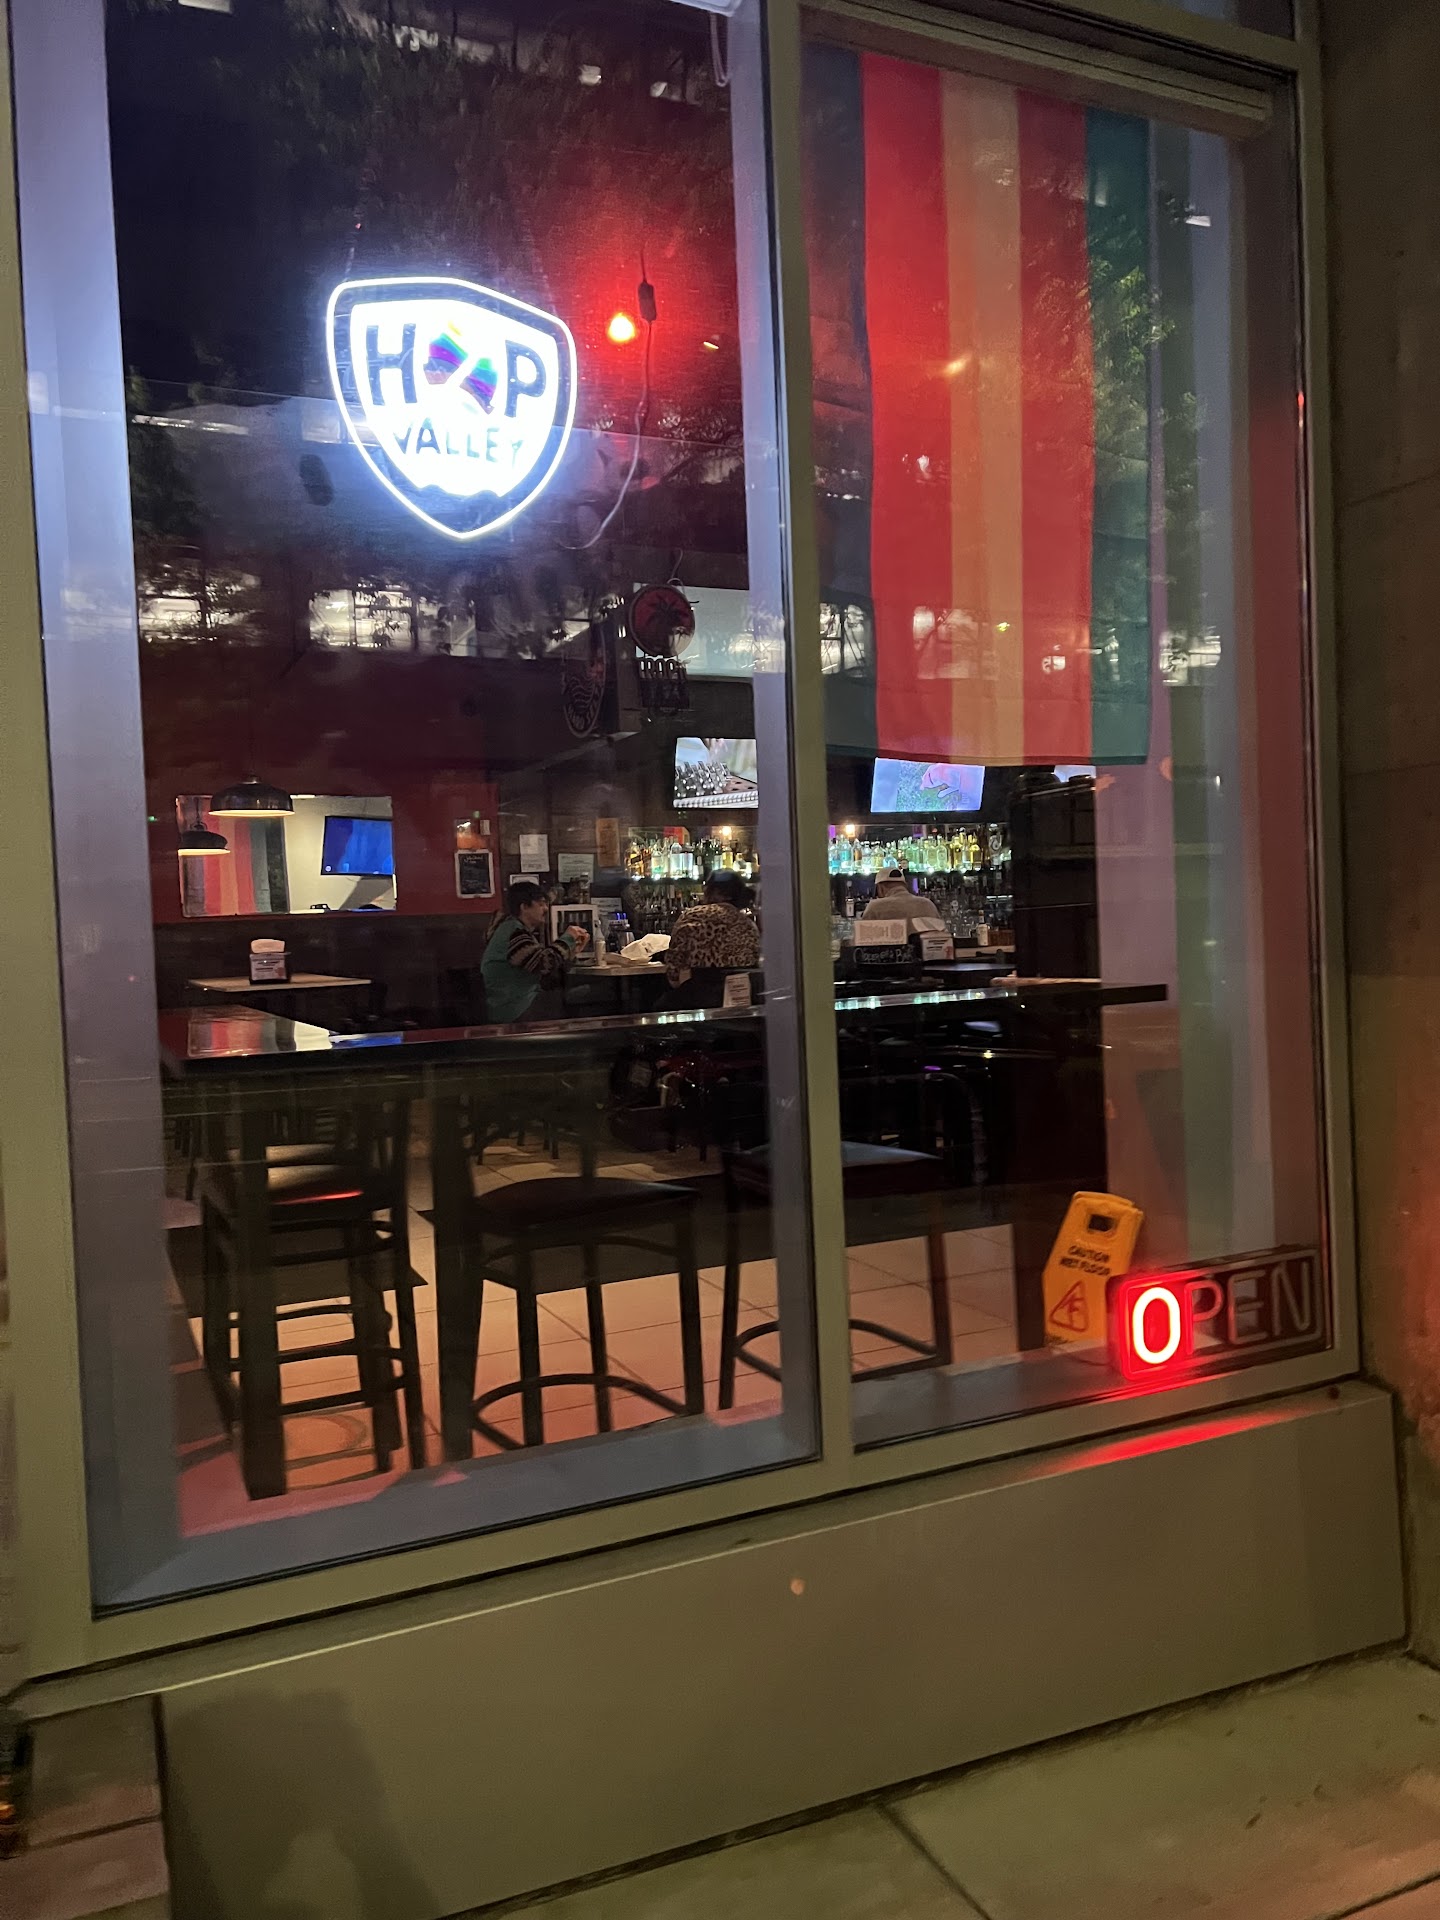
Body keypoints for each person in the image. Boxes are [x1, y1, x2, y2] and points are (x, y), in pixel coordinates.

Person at [481, 880, 590, 1024]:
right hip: (514, 1008)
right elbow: (543, 964)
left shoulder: (511, 928)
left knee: (580, 995)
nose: (546, 908)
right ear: (524, 907)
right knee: (590, 995)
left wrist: (572, 951)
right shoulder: (514, 932)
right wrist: (568, 938)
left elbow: (543, 968)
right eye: (541, 904)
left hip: (514, 1003)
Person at [661, 871, 761, 1008]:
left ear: (713, 891)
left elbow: (673, 973)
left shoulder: (693, 916)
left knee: (658, 1006)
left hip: (698, 1003)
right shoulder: (748, 925)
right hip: (740, 1004)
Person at [862, 866, 943, 926]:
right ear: (905, 885)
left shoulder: (875, 907)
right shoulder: (927, 904)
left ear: (880, 887)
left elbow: (863, 937)